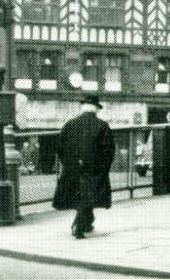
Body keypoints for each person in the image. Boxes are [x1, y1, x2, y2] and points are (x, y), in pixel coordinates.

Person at [53, 95, 116, 239]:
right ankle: (79, 226)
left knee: (81, 195)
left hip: (72, 168)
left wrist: (68, 163)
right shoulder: (102, 125)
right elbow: (108, 150)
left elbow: (60, 147)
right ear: (96, 109)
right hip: (94, 168)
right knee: (89, 195)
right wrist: (103, 167)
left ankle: (88, 222)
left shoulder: (70, 124)